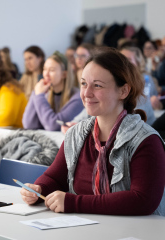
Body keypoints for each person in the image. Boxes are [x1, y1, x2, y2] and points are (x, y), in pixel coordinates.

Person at [20, 48, 165, 216]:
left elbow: (143, 200)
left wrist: (74, 202)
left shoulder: (146, 140)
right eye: (83, 84)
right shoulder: (76, 134)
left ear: (123, 91)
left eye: (97, 85)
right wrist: (38, 190)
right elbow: (54, 178)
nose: (87, 93)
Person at [22, 51, 83, 131]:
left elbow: (53, 126)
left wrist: (39, 96)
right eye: (44, 69)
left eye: (52, 70)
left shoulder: (77, 98)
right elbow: (28, 124)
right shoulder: (44, 93)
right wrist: (36, 93)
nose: (46, 74)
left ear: (64, 74)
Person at [120, 45, 157, 125]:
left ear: (138, 62)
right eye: (121, 59)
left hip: (144, 126)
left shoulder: (144, 79)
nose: (123, 63)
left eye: (128, 60)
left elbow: (139, 110)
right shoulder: (117, 80)